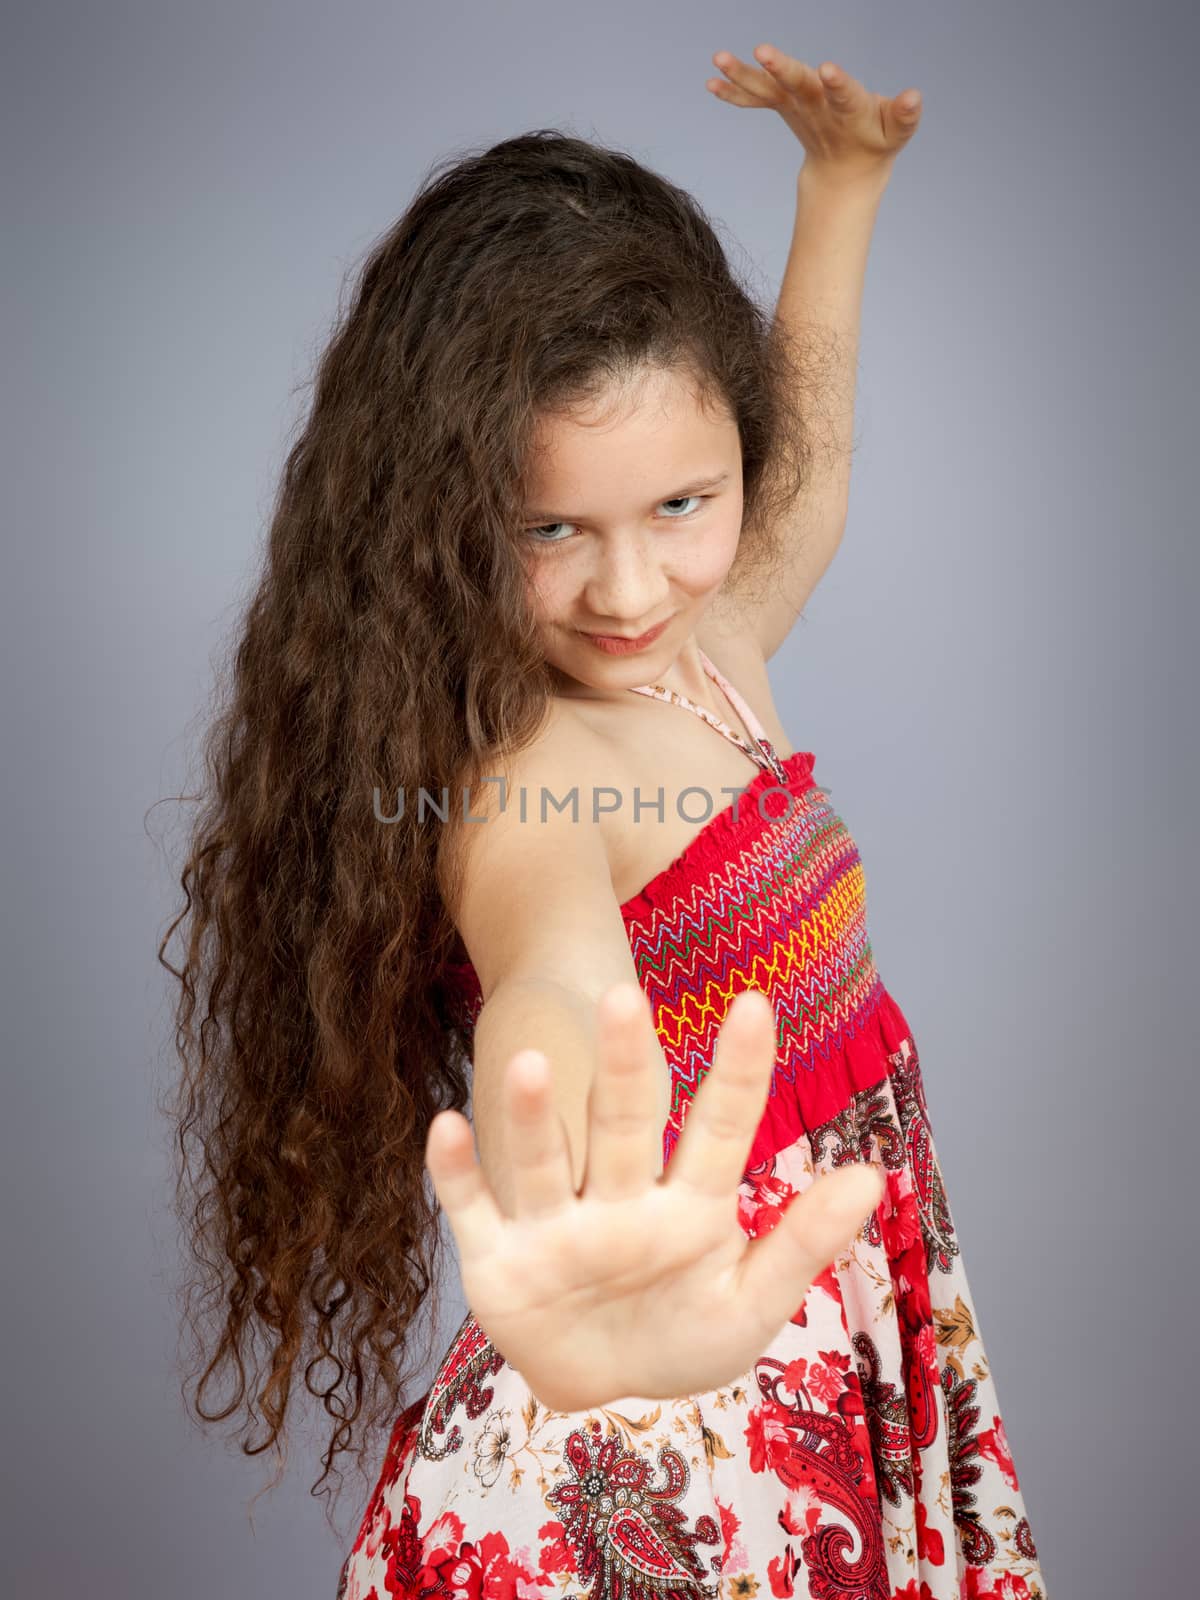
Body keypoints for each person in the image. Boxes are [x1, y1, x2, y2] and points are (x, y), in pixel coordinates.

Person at [161, 38, 1047, 1600]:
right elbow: (555, 975)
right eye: (548, 530)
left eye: (681, 507)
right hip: (663, 1404)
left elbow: (814, 480)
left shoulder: (710, 648)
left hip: (812, 1310)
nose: (629, 589)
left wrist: (840, 185)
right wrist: (572, 1181)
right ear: (442, 522)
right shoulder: (519, 770)